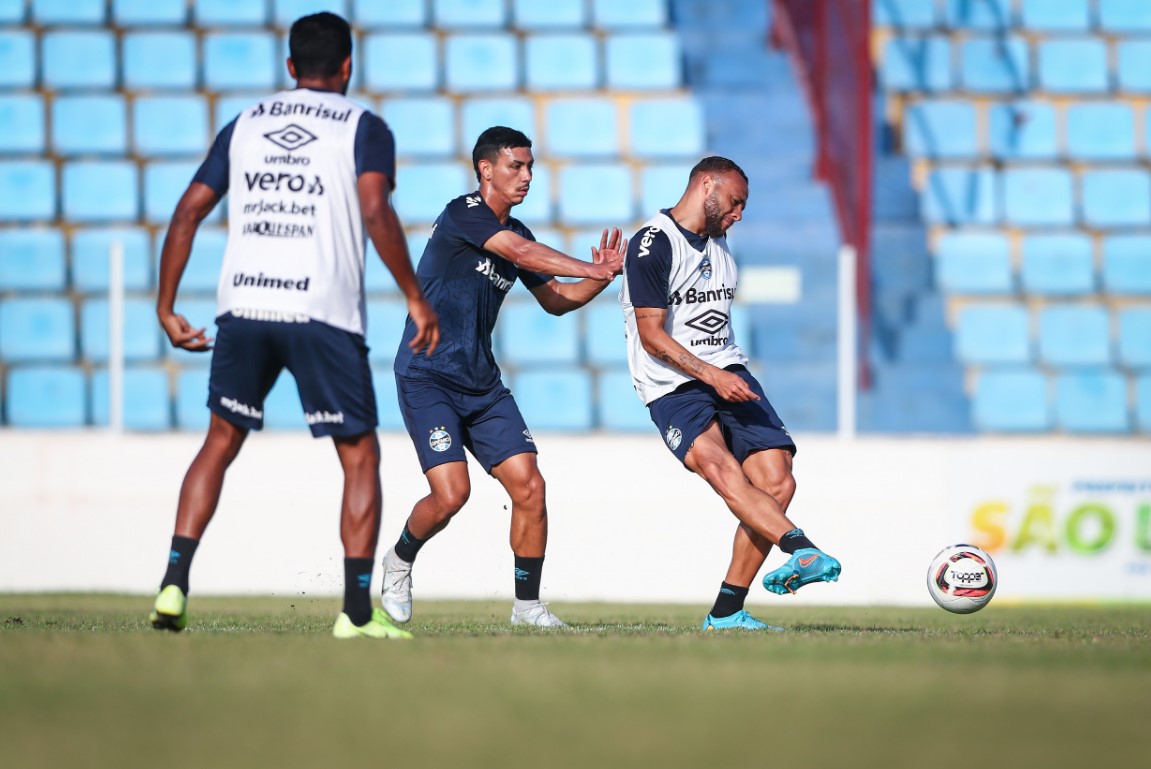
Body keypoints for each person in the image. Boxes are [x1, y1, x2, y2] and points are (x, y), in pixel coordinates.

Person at [148, 12, 438, 640]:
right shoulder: (364, 127)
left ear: (289, 68)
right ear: (347, 67)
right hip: (321, 311)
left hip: (244, 307)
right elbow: (372, 208)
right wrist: (415, 297)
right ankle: (356, 615)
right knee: (359, 456)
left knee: (219, 442)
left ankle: (173, 582)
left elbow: (188, 212)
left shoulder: (245, 125)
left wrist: (167, 306)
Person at [381, 126, 625, 629]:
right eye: (517, 166)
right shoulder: (462, 214)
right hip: (427, 374)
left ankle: (527, 607)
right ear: (486, 169)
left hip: (481, 384)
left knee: (530, 487)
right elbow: (520, 255)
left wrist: (599, 277)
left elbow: (556, 300)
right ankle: (399, 561)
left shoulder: (522, 234)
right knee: (452, 495)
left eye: (531, 166)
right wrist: (589, 267)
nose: (527, 176)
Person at [618, 156, 841, 632]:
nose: (739, 213)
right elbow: (652, 336)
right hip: (672, 382)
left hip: (727, 369)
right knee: (719, 468)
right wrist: (710, 376)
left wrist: (722, 373)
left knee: (778, 481)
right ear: (706, 185)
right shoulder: (652, 245)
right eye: (735, 202)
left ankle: (726, 612)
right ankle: (800, 549)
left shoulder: (717, 242)